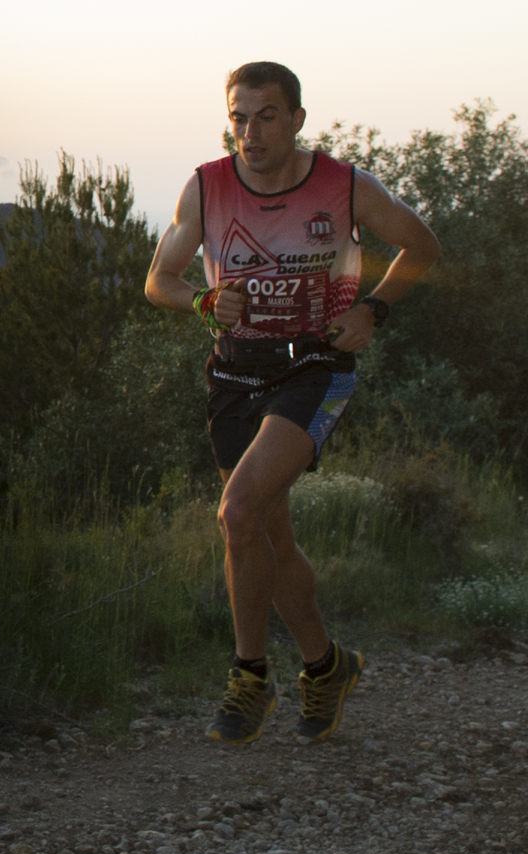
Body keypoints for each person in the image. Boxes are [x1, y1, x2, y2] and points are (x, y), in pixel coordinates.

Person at [144, 61, 440, 745]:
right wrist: (204, 302)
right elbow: (159, 280)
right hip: (235, 372)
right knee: (267, 534)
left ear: (297, 119)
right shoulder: (207, 187)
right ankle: (326, 665)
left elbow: (423, 245)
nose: (250, 133)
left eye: (267, 116)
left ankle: (250, 676)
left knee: (237, 510)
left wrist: (373, 309)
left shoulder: (345, 186)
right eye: (239, 118)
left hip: (314, 366)